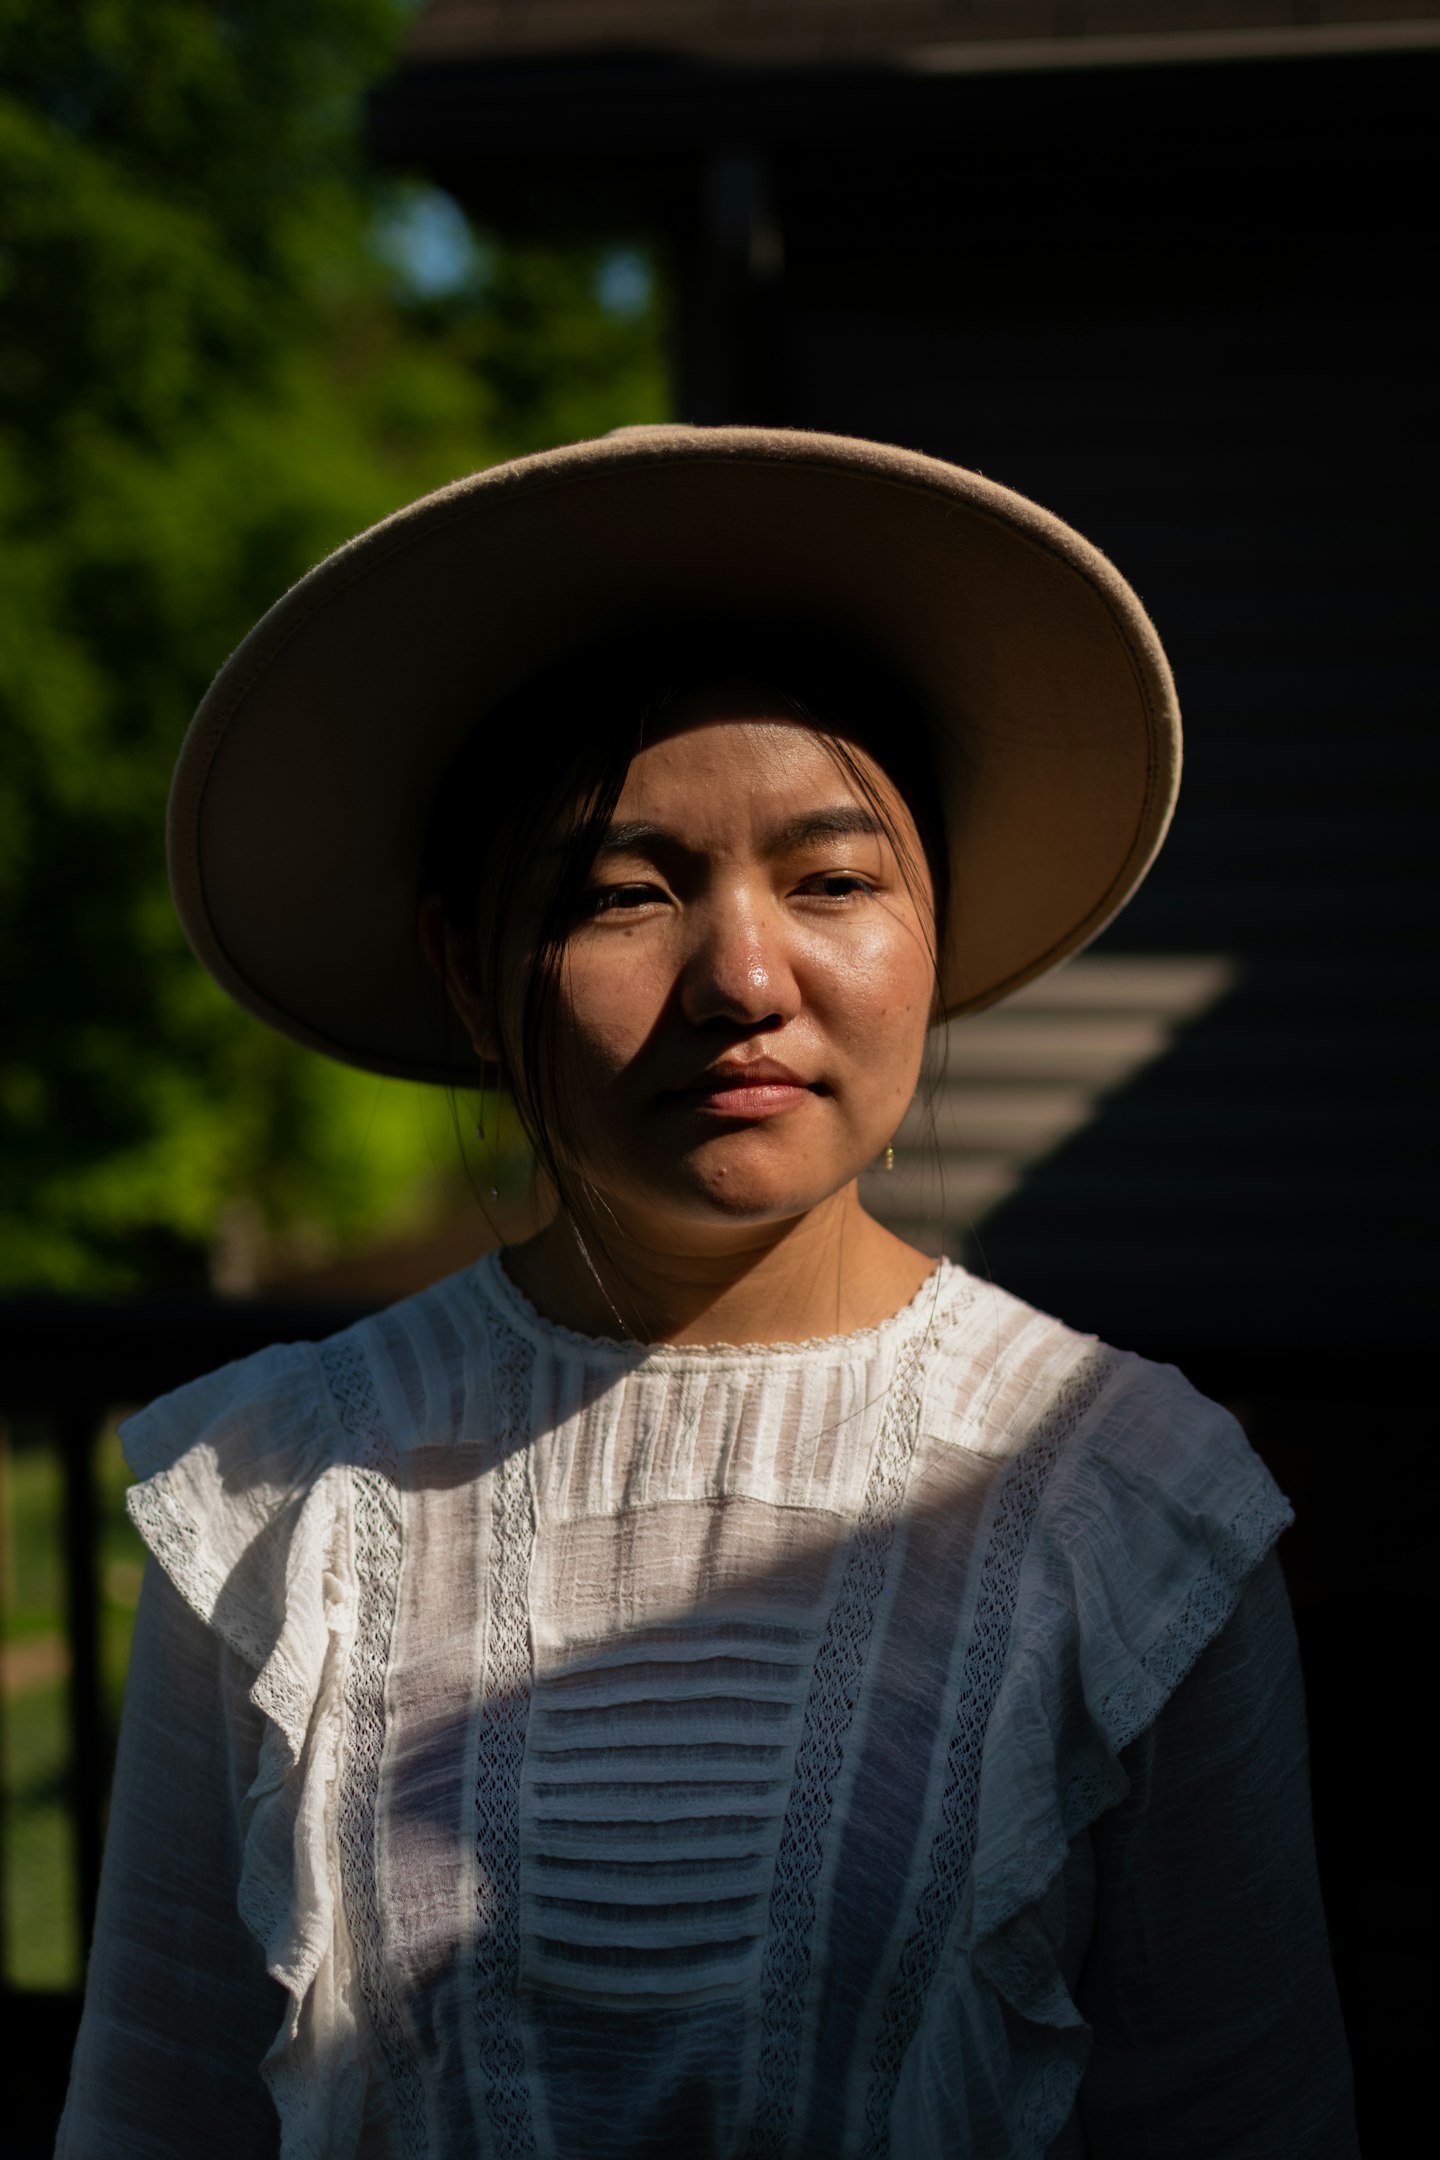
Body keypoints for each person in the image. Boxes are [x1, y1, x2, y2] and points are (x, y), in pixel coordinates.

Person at [57, 427, 1356, 2158]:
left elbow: (1243, 2111)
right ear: (468, 962)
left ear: (935, 928)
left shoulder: (1130, 1503)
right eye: (624, 892)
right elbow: (158, 2103)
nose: (744, 976)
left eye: (833, 880)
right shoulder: (276, 1498)